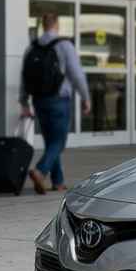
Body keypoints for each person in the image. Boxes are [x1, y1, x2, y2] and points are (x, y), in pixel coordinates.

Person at [20, 13, 90, 194]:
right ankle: (40, 170)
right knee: (59, 141)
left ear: (43, 25)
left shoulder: (32, 47)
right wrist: (85, 97)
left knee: (51, 140)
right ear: (57, 25)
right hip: (59, 100)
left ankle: (58, 182)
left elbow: (24, 76)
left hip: (38, 100)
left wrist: (24, 101)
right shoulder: (64, 45)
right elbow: (76, 74)